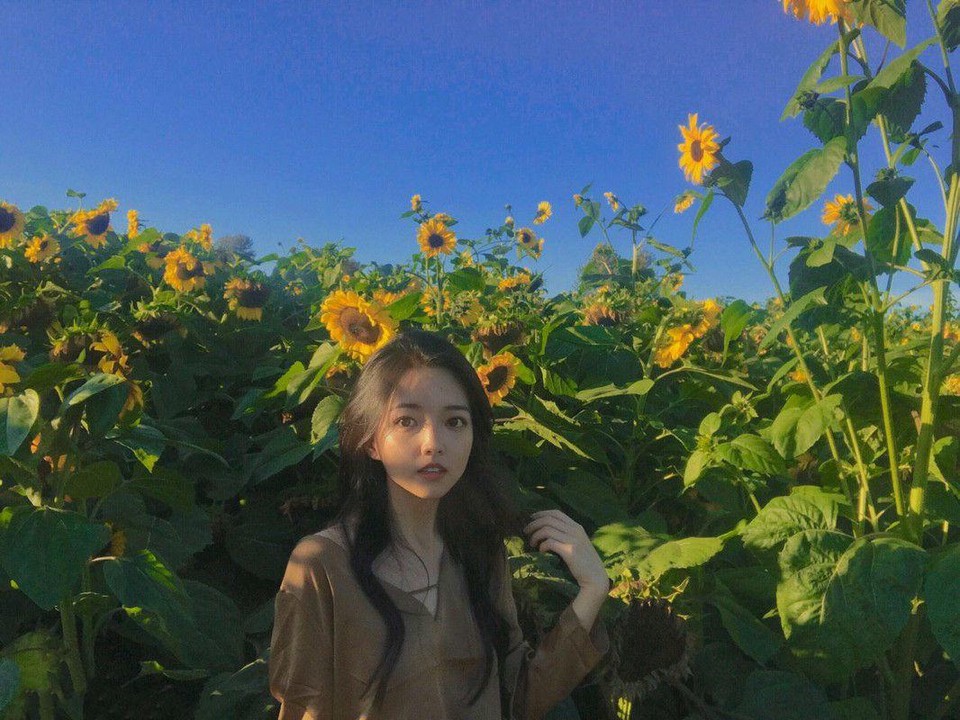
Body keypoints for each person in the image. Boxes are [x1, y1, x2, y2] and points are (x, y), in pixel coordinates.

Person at [268, 329, 610, 719]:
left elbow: (517, 701)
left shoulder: (479, 554)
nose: (433, 442)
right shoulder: (323, 566)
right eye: (407, 421)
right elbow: (303, 708)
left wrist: (592, 589)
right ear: (371, 440)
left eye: (455, 422)